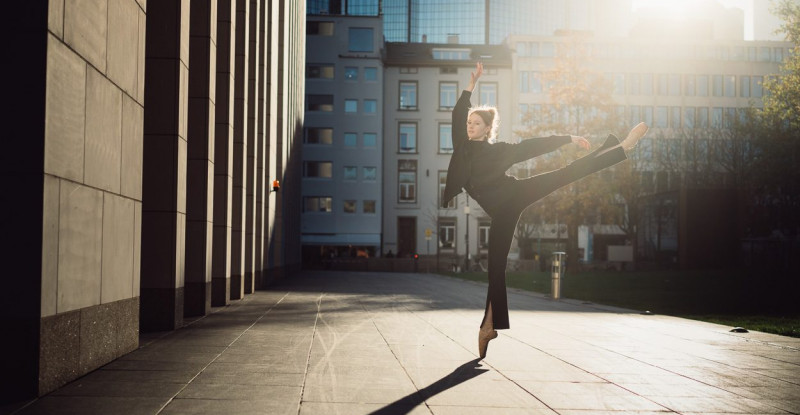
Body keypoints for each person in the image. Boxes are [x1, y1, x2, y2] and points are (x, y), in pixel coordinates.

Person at [442, 62, 648, 359]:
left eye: (475, 123)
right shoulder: (461, 147)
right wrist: (470, 85)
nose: (469, 126)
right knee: (495, 268)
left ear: (488, 129)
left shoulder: (498, 151)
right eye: (468, 123)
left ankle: (622, 148)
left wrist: (568, 138)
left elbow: (531, 147)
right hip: (502, 212)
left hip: (515, 193)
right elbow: (456, 113)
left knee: (566, 173)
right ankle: (489, 326)